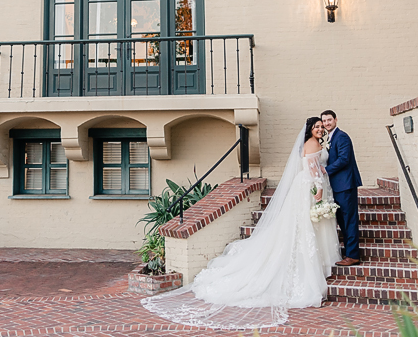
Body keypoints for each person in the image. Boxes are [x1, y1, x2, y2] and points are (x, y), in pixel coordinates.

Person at [141, 117, 341, 329]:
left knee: (308, 225)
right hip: (310, 187)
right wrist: (319, 188)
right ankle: (307, 267)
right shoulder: (312, 144)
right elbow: (312, 168)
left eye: (321, 126)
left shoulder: (315, 143)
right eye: (316, 126)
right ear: (309, 129)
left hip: (309, 185)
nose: (320, 129)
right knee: (305, 225)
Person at [321, 110, 363, 266]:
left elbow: (344, 159)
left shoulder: (342, 137)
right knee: (342, 220)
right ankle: (348, 252)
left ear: (335, 120)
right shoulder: (330, 138)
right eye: (324, 121)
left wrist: (326, 170)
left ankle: (353, 255)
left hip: (345, 185)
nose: (327, 123)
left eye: (329, 120)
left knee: (349, 220)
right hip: (337, 185)